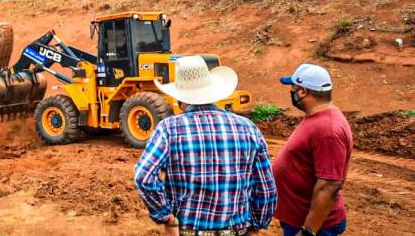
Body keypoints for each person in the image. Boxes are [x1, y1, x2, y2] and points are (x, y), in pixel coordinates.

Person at [134, 55, 276, 236]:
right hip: (236, 231)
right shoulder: (248, 128)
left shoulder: (169, 129)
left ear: (179, 97)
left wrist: (166, 216)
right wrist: (257, 226)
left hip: (188, 230)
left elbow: (143, 177)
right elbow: (266, 187)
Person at [274, 63, 353, 236]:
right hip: (299, 219)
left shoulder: (328, 130)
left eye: (293, 88)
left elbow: (329, 186)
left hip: (315, 227)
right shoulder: (319, 117)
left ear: (302, 91)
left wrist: (308, 232)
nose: (291, 92)